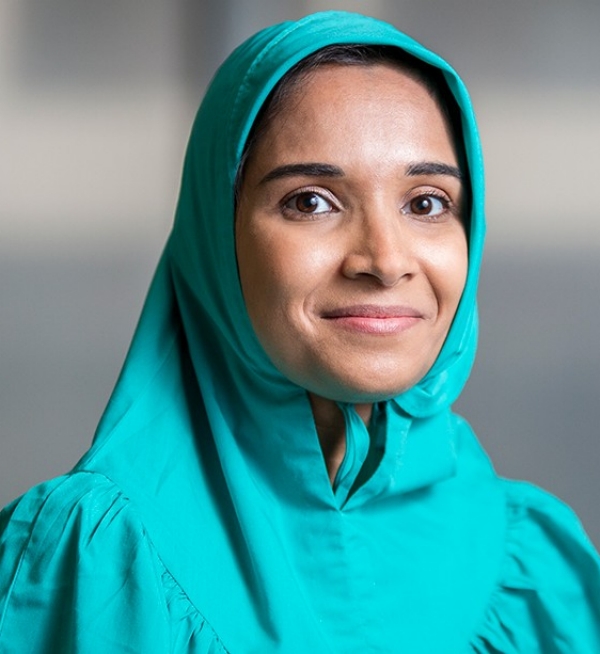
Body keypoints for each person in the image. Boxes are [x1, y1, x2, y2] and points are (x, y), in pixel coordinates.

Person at [0, 10, 599, 653]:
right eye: (310, 200)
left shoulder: (531, 563)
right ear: (216, 238)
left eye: (426, 202)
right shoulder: (93, 556)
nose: (385, 259)